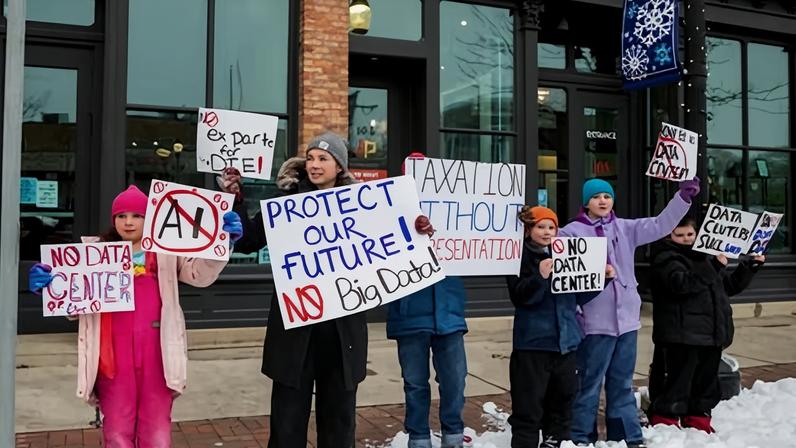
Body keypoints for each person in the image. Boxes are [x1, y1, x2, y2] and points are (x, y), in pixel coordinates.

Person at [220, 131, 433, 447]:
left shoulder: (363, 206)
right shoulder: (285, 204)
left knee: (339, 424)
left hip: (342, 334)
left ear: (339, 166)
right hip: (294, 332)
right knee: (287, 424)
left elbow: (395, 244)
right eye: (310, 158)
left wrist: (419, 229)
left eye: (323, 158)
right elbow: (249, 241)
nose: (314, 164)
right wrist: (236, 204)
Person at [28, 185, 241, 447]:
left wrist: (222, 245)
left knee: (157, 431)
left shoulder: (167, 251)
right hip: (112, 357)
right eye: (121, 216)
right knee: (117, 430)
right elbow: (77, 305)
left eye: (137, 216)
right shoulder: (94, 254)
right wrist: (51, 287)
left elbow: (199, 275)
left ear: (149, 218)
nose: (128, 222)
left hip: (157, 353)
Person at [558, 177, 700, 447]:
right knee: (588, 383)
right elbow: (563, 275)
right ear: (586, 202)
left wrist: (682, 198)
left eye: (607, 196)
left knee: (622, 383)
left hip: (626, 322)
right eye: (596, 196)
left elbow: (661, 224)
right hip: (593, 322)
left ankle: (626, 436)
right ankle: (580, 437)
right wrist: (575, 309)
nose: (602, 201)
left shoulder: (625, 228)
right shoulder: (570, 233)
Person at [506, 206, 614, 448]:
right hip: (533, 345)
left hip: (566, 344)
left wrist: (602, 279)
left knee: (562, 405)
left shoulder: (566, 253)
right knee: (528, 406)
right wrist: (540, 277)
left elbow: (578, 296)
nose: (547, 232)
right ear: (528, 229)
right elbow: (520, 297)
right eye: (540, 227)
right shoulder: (517, 257)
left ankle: (555, 442)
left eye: (551, 227)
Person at [647, 217, 765, 432]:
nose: (686, 239)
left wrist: (750, 267)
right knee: (678, 380)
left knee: (705, 381)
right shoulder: (665, 258)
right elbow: (681, 284)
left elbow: (728, 286)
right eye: (679, 235)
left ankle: (698, 417)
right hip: (682, 335)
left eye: (690, 234)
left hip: (711, 334)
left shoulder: (706, 257)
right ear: (668, 236)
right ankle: (666, 420)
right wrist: (714, 265)